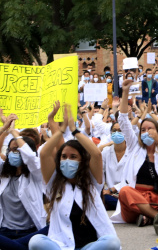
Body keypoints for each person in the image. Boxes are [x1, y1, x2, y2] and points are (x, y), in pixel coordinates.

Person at [29, 105, 120, 250]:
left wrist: (74, 130)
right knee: (35, 241)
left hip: (90, 246)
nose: (67, 161)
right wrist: (60, 130)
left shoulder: (92, 182)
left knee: (112, 242)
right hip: (63, 246)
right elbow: (44, 154)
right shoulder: (54, 184)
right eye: (64, 157)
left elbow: (96, 154)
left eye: (73, 157)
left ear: (82, 161)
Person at [111, 79, 158, 226]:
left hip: (156, 200)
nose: (146, 132)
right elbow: (124, 120)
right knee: (125, 191)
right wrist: (125, 92)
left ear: (157, 132)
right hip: (135, 200)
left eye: (150, 129)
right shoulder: (134, 146)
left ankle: (147, 216)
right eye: (143, 130)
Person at [102, 122, 127, 210]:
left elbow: (131, 179)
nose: (117, 133)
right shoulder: (106, 151)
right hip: (109, 195)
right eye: (114, 131)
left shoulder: (132, 152)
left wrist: (112, 189)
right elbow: (100, 173)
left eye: (120, 131)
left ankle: (125, 206)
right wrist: (102, 190)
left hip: (127, 192)